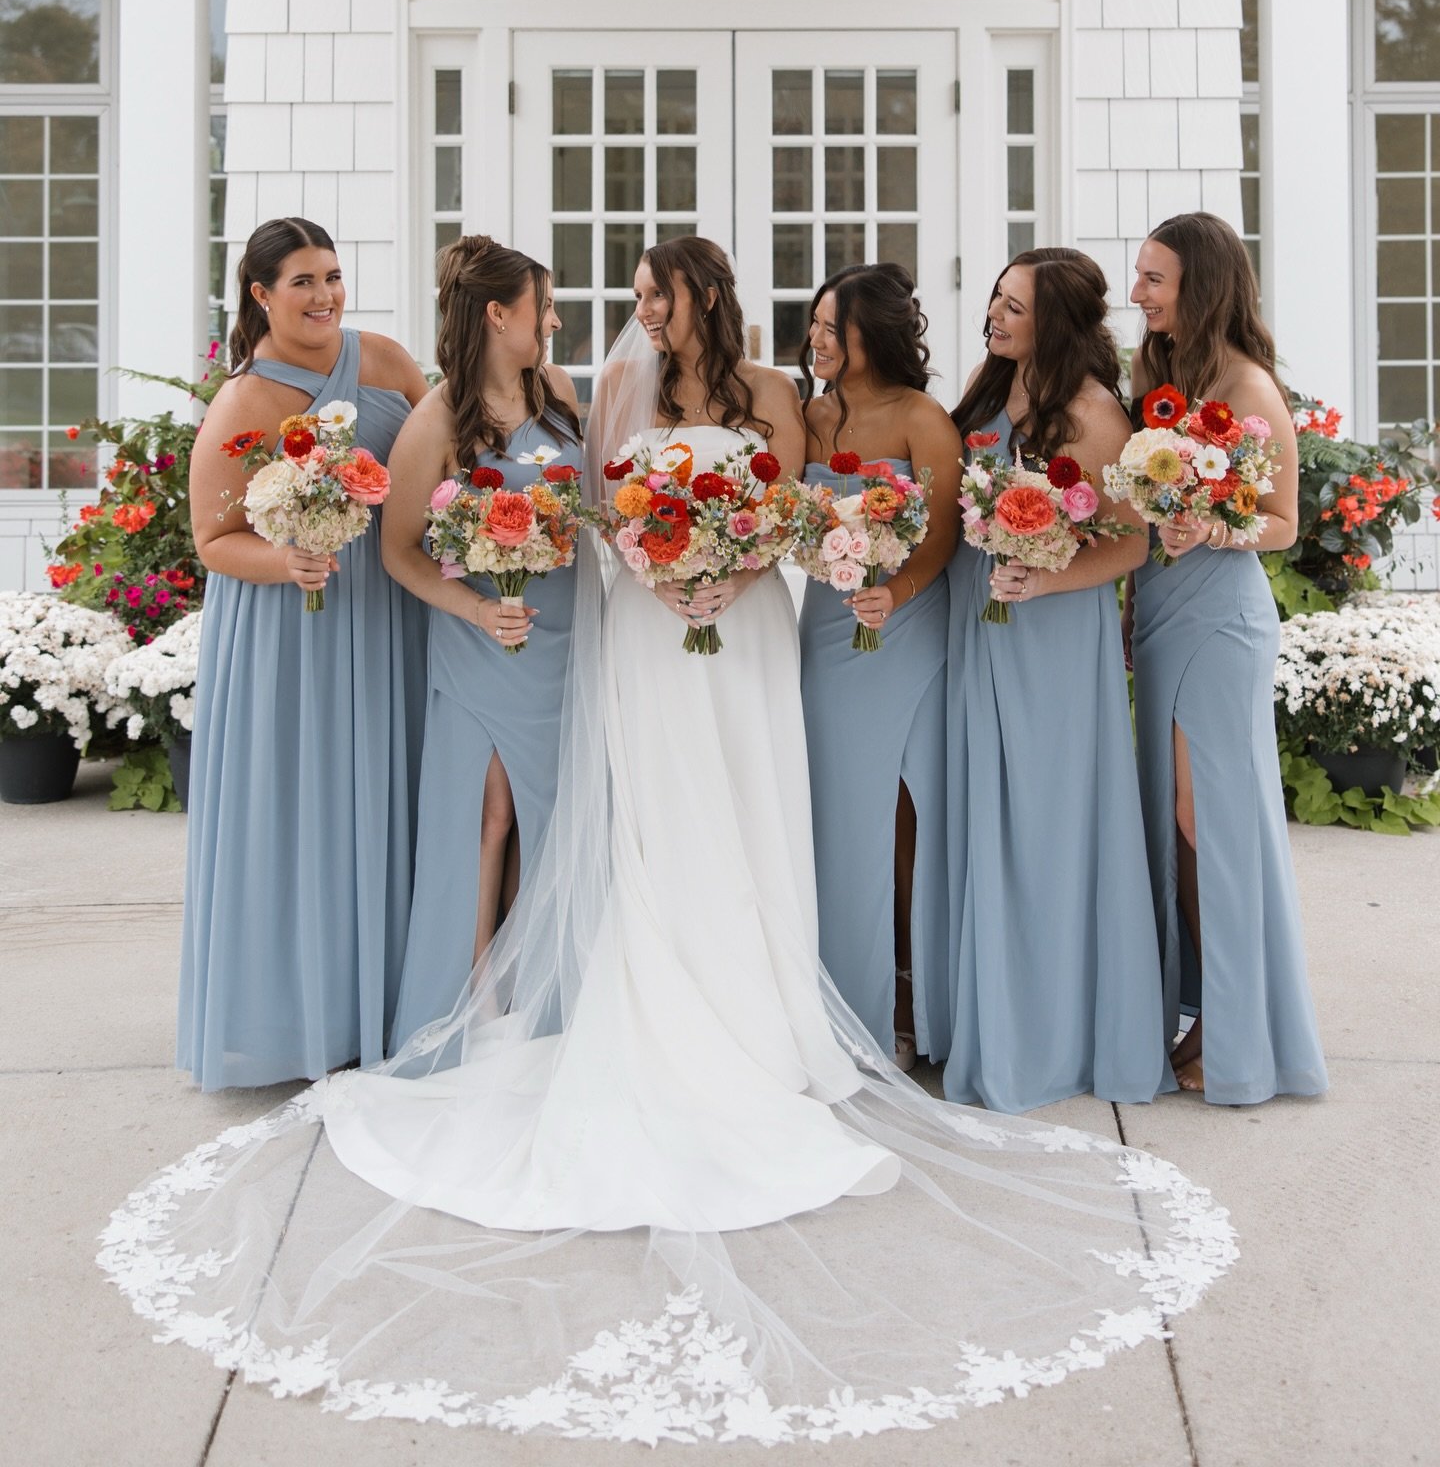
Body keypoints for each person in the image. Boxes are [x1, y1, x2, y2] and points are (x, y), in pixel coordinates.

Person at [107, 240, 1233, 1442]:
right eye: (626, 297)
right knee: (649, 810)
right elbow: (597, 512)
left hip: (746, 634)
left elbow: (794, 506)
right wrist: (659, 575)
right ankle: (631, 995)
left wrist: (731, 567)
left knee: (748, 807)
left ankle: (755, 1009)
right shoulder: (602, 393)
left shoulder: (767, 394)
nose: (636, 311)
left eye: (655, 293)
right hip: (647, 629)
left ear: (699, 297)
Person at [178, 217, 429, 1091]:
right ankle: (303, 1014)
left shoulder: (389, 360)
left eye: (332, 275)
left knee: (393, 798)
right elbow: (212, 538)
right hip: (297, 630)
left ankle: (396, 1002)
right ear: (260, 295)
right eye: (302, 282)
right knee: (310, 809)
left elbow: (444, 459)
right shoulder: (244, 402)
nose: (324, 295)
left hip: (393, 612)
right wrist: (286, 560)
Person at [945, 248, 1168, 1112]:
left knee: (1050, 824)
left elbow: (1130, 540)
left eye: (1014, 307)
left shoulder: (1092, 411)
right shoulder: (991, 384)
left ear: (1058, 322)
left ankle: (1060, 1033)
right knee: (988, 817)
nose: (995, 317)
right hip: (981, 618)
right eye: (996, 300)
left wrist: (1043, 576)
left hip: (1053, 632)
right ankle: (993, 1019)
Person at [1127, 212, 1327, 1103]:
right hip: (1166, 608)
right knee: (1176, 825)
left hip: (1223, 618)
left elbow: (1284, 524)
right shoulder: (1160, 376)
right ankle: (1200, 1004)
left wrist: (1212, 521)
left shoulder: (1248, 388)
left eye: (1154, 279)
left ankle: (1233, 1027)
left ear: (1199, 287)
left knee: (1205, 819)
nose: (1138, 294)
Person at [382, 237, 583, 1049]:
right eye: (544, 306)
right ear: (500, 314)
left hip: (567, 636)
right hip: (483, 642)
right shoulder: (435, 420)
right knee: (488, 817)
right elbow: (398, 551)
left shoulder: (560, 391)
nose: (556, 320)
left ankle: (548, 990)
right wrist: (472, 612)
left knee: (557, 814)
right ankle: (466, 1011)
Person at [798, 263, 961, 1071]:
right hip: (828, 630)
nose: (818, 340)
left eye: (834, 328)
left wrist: (892, 591)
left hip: (902, 628)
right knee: (836, 816)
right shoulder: (810, 417)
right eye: (816, 325)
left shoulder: (921, 418)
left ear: (875, 336)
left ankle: (908, 996)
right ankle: (842, 1003)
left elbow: (940, 539)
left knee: (901, 815)